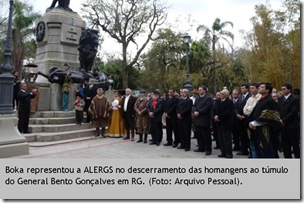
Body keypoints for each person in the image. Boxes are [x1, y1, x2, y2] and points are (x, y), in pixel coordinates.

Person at [248, 83, 281, 158]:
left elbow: (267, 115)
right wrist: (250, 122)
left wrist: (254, 123)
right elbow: (254, 113)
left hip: (267, 131)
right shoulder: (261, 100)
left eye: (262, 87)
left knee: (268, 152)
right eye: (259, 87)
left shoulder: (269, 101)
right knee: (258, 151)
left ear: (267, 90)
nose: (259, 88)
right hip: (257, 130)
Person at [277, 83, 300, 158]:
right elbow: (278, 110)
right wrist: (279, 119)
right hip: (283, 126)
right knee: (286, 145)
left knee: (295, 145)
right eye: (282, 89)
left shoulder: (294, 99)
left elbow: (293, 112)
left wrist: (283, 120)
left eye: (284, 89)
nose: (282, 90)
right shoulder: (281, 99)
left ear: (289, 90)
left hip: (292, 126)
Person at [192, 86, 213, 155]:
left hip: (204, 119)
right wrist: (194, 111)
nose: (199, 91)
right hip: (197, 119)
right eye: (199, 90)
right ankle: (201, 147)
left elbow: (207, 107)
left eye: (200, 90)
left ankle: (208, 149)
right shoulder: (198, 98)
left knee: (206, 135)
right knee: (199, 135)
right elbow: (194, 106)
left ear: (204, 90)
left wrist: (199, 112)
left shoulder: (208, 98)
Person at [214, 89, 234, 158]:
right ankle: (223, 152)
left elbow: (228, 112)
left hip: (226, 123)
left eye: (222, 93)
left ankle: (229, 153)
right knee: (221, 139)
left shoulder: (229, 102)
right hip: (219, 123)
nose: (220, 95)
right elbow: (215, 109)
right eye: (220, 93)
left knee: (227, 139)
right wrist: (215, 116)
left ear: (226, 94)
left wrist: (218, 116)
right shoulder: (218, 101)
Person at [243, 83, 261, 158]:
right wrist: (250, 109)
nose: (251, 90)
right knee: (251, 140)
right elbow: (244, 110)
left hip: (257, 122)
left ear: (257, 89)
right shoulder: (250, 98)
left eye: (253, 88)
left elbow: (255, 109)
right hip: (249, 120)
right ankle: (252, 154)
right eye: (250, 88)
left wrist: (249, 108)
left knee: (258, 141)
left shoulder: (260, 97)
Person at [236, 84, 251, 156]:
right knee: (241, 135)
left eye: (243, 88)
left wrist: (244, 116)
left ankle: (249, 150)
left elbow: (250, 108)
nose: (241, 89)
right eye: (241, 88)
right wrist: (237, 114)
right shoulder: (240, 97)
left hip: (246, 119)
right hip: (239, 119)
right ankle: (243, 149)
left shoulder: (250, 97)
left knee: (247, 136)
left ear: (247, 89)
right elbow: (235, 107)